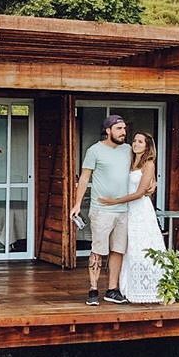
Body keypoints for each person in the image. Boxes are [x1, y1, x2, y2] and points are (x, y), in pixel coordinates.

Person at [98, 131, 167, 303]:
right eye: (135, 141)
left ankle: (150, 288)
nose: (136, 144)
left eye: (140, 142)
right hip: (126, 209)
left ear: (147, 146)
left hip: (140, 210)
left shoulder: (148, 164)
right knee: (127, 248)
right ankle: (127, 288)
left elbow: (140, 193)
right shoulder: (129, 160)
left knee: (142, 247)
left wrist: (115, 201)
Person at [70, 114, 131, 305]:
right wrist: (77, 204)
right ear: (108, 130)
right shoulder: (94, 151)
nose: (123, 132)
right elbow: (85, 178)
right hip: (101, 210)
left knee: (118, 250)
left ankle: (112, 290)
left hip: (123, 209)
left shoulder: (128, 150)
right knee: (98, 249)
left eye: (124, 129)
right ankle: (93, 290)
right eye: (119, 129)